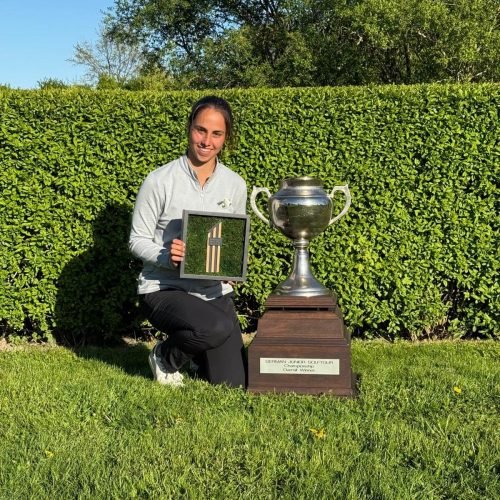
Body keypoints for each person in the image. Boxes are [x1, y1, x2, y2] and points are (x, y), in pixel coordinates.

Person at [129, 96, 247, 388]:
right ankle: (165, 356)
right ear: (189, 129)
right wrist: (166, 255)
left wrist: (232, 266)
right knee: (215, 326)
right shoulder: (158, 181)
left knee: (231, 383)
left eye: (216, 133)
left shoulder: (236, 185)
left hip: (211, 291)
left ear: (225, 138)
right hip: (164, 288)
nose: (207, 140)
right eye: (200, 130)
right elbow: (136, 240)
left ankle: (196, 352)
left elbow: (230, 238)